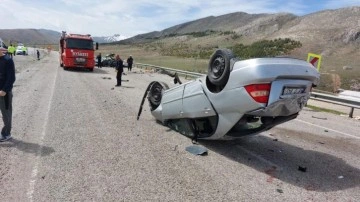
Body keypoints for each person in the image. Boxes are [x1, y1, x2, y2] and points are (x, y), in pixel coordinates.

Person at [0, 49, 16, 142]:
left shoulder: (7, 60)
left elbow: (12, 77)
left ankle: (6, 134)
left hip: (4, 93)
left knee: (6, 114)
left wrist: (5, 90)